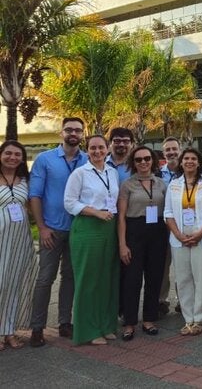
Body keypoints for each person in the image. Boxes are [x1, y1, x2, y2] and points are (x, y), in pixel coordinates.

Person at [28, 117, 88, 347]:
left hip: (78, 231)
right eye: (69, 129)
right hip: (51, 230)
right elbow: (35, 195)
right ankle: (37, 327)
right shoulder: (45, 159)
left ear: (82, 133)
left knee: (71, 277)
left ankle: (65, 322)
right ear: (61, 133)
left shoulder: (88, 160)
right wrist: (42, 227)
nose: (73, 133)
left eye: (78, 130)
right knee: (45, 278)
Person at [63, 134, 120, 345]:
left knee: (107, 278)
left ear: (108, 149)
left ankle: (105, 324)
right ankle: (88, 330)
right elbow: (69, 203)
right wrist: (96, 213)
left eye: (101, 147)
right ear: (87, 150)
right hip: (88, 227)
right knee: (89, 280)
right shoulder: (80, 173)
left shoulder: (112, 172)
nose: (97, 151)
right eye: (93, 148)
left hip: (109, 226)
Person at [163, 148, 202, 336]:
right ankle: (188, 319)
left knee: (201, 277)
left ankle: (199, 318)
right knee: (183, 279)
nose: (189, 161)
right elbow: (168, 213)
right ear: (181, 162)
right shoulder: (174, 184)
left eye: (193, 158)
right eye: (186, 158)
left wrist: (200, 233)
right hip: (179, 238)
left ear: (198, 162)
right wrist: (179, 235)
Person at [117, 146, 168, 340]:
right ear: (133, 163)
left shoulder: (162, 184)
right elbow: (121, 216)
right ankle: (129, 322)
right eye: (138, 160)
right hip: (134, 232)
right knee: (132, 279)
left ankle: (149, 319)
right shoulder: (127, 185)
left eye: (147, 158)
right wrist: (122, 244)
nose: (143, 162)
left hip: (157, 233)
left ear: (153, 161)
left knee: (155, 278)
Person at [0, 141, 37, 350]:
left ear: (22, 159)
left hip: (19, 240)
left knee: (14, 284)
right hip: (0, 240)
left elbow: (31, 207)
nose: (12, 157)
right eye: (8, 153)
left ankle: (9, 330)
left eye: (17, 154)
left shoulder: (25, 180)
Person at [158, 136, 181, 316]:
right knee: (162, 267)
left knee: (182, 266)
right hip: (162, 228)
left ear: (179, 150)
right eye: (168, 150)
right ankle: (161, 301)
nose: (172, 152)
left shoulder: (189, 171)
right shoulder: (157, 174)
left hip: (183, 227)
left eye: (174, 149)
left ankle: (183, 300)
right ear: (164, 153)